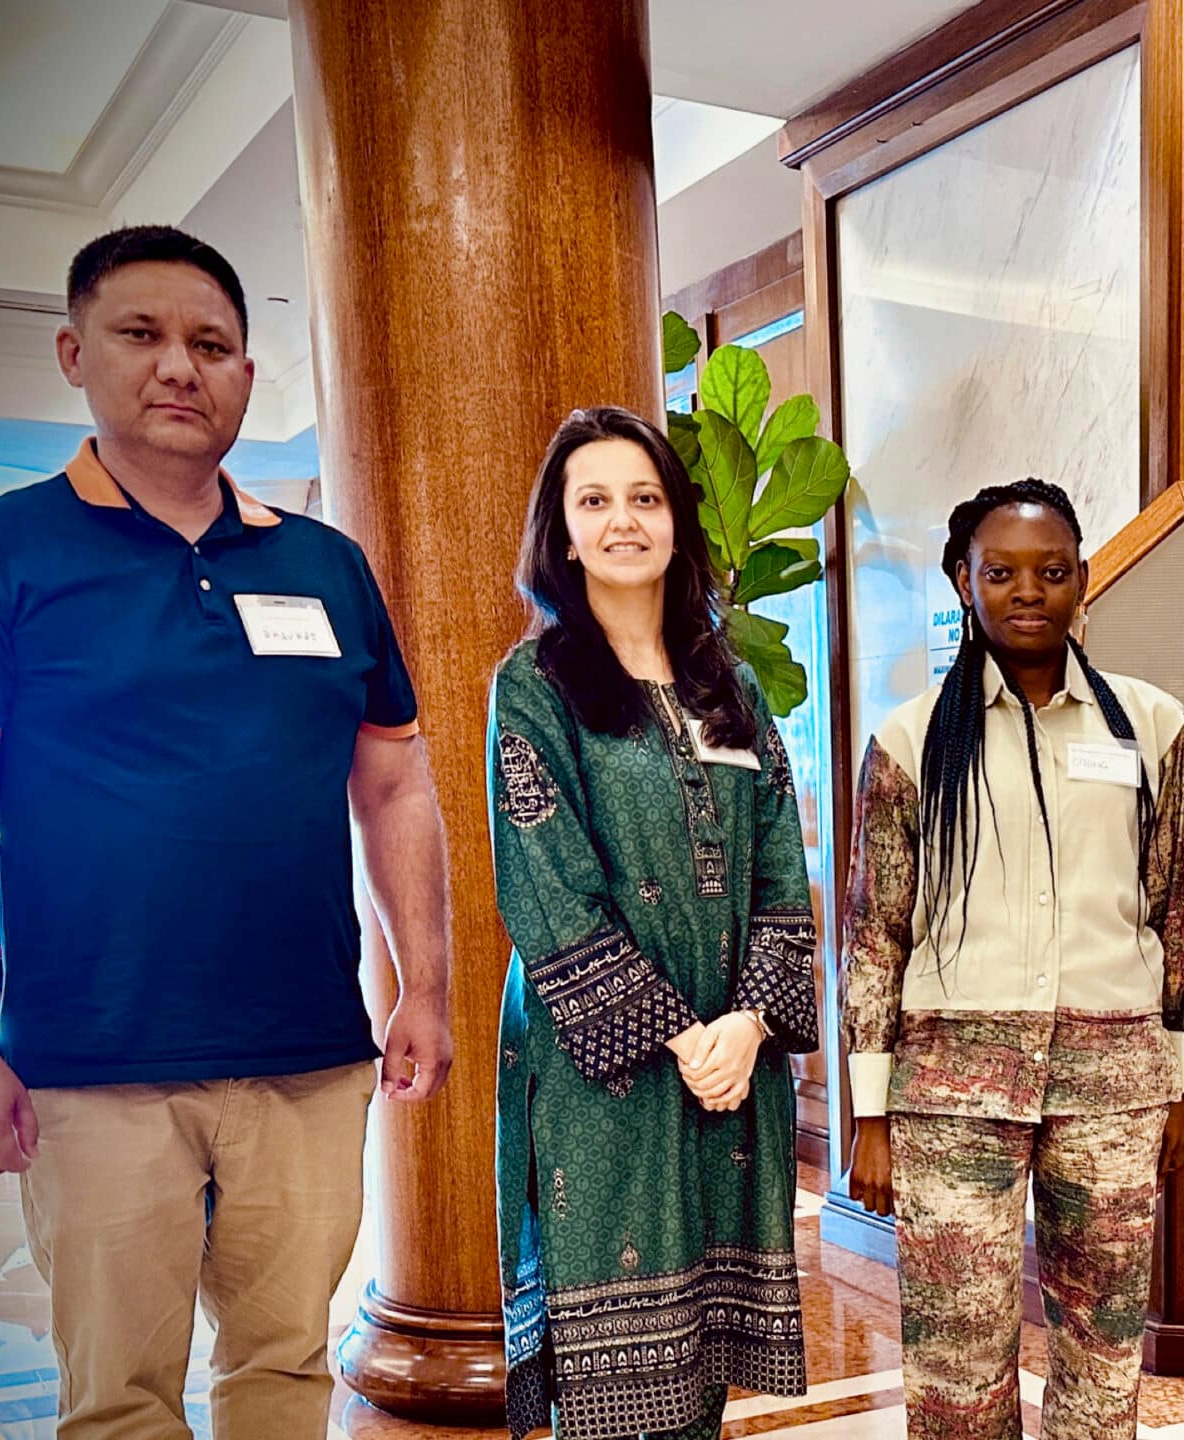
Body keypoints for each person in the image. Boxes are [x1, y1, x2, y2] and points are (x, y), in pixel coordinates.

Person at [0, 224, 454, 1439]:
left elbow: (396, 784)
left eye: (211, 343)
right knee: (119, 1404)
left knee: (285, 1371)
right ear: (74, 353)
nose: (179, 366)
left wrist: (426, 985)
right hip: (93, 1065)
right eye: (141, 334)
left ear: (246, 371)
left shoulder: (326, 565)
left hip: (308, 1055)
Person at [841, 478, 1184, 1440]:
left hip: (1115, 1084)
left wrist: (1181, 1082)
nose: (1028, 592)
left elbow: (1179, 910)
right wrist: (869, 1113)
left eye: (1052, 571)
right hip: (952, 1091)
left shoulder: (1154, 727)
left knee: (1103, 1355)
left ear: (1084, 578)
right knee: (956, 1365)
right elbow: (874, 933)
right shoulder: (910, 739)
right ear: (965, 583)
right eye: (1001, 573)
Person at [488, 406, 820, 1439]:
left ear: (677, 520)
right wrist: (682, 1038)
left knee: (702, 1373)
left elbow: (780, 866)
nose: (622, 520)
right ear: (561, 531)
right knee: (613, 1388)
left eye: (644, 497)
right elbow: (549, 889)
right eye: (594, 501)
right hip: (608, 1078)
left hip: (733, 1065)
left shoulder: (733, 683)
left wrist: (748, 1027)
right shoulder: (535, 687)